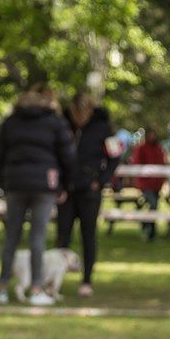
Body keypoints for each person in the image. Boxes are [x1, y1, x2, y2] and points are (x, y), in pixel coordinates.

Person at [0, 83, 76, 306]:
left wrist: (4, 182)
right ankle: (36, 289)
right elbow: (68, 156)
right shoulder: (55, 122)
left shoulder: (11, 122)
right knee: (38, 238)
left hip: (15, 184)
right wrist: (64, 185)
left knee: (11, 238)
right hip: (44, 186)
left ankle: (2, 287)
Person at [56, 91, 121, 297]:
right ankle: (55, 279)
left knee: (88, 235)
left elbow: (115, 157)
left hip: (89, 190)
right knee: (62, 235)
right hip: (67, 189)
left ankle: (86, 280)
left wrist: (100, 181)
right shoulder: (63, 126)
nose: (80, 119)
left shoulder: (103, 128)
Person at [130, 127, 166, 241]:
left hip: (157, 184)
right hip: (145, 184)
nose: (153, 137)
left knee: (154, 207)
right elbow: (137, 165)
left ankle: (151, 231)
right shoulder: (141, 148)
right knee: (153, 204)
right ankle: (146, 225)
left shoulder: (159, 148)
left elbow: (162, 164)